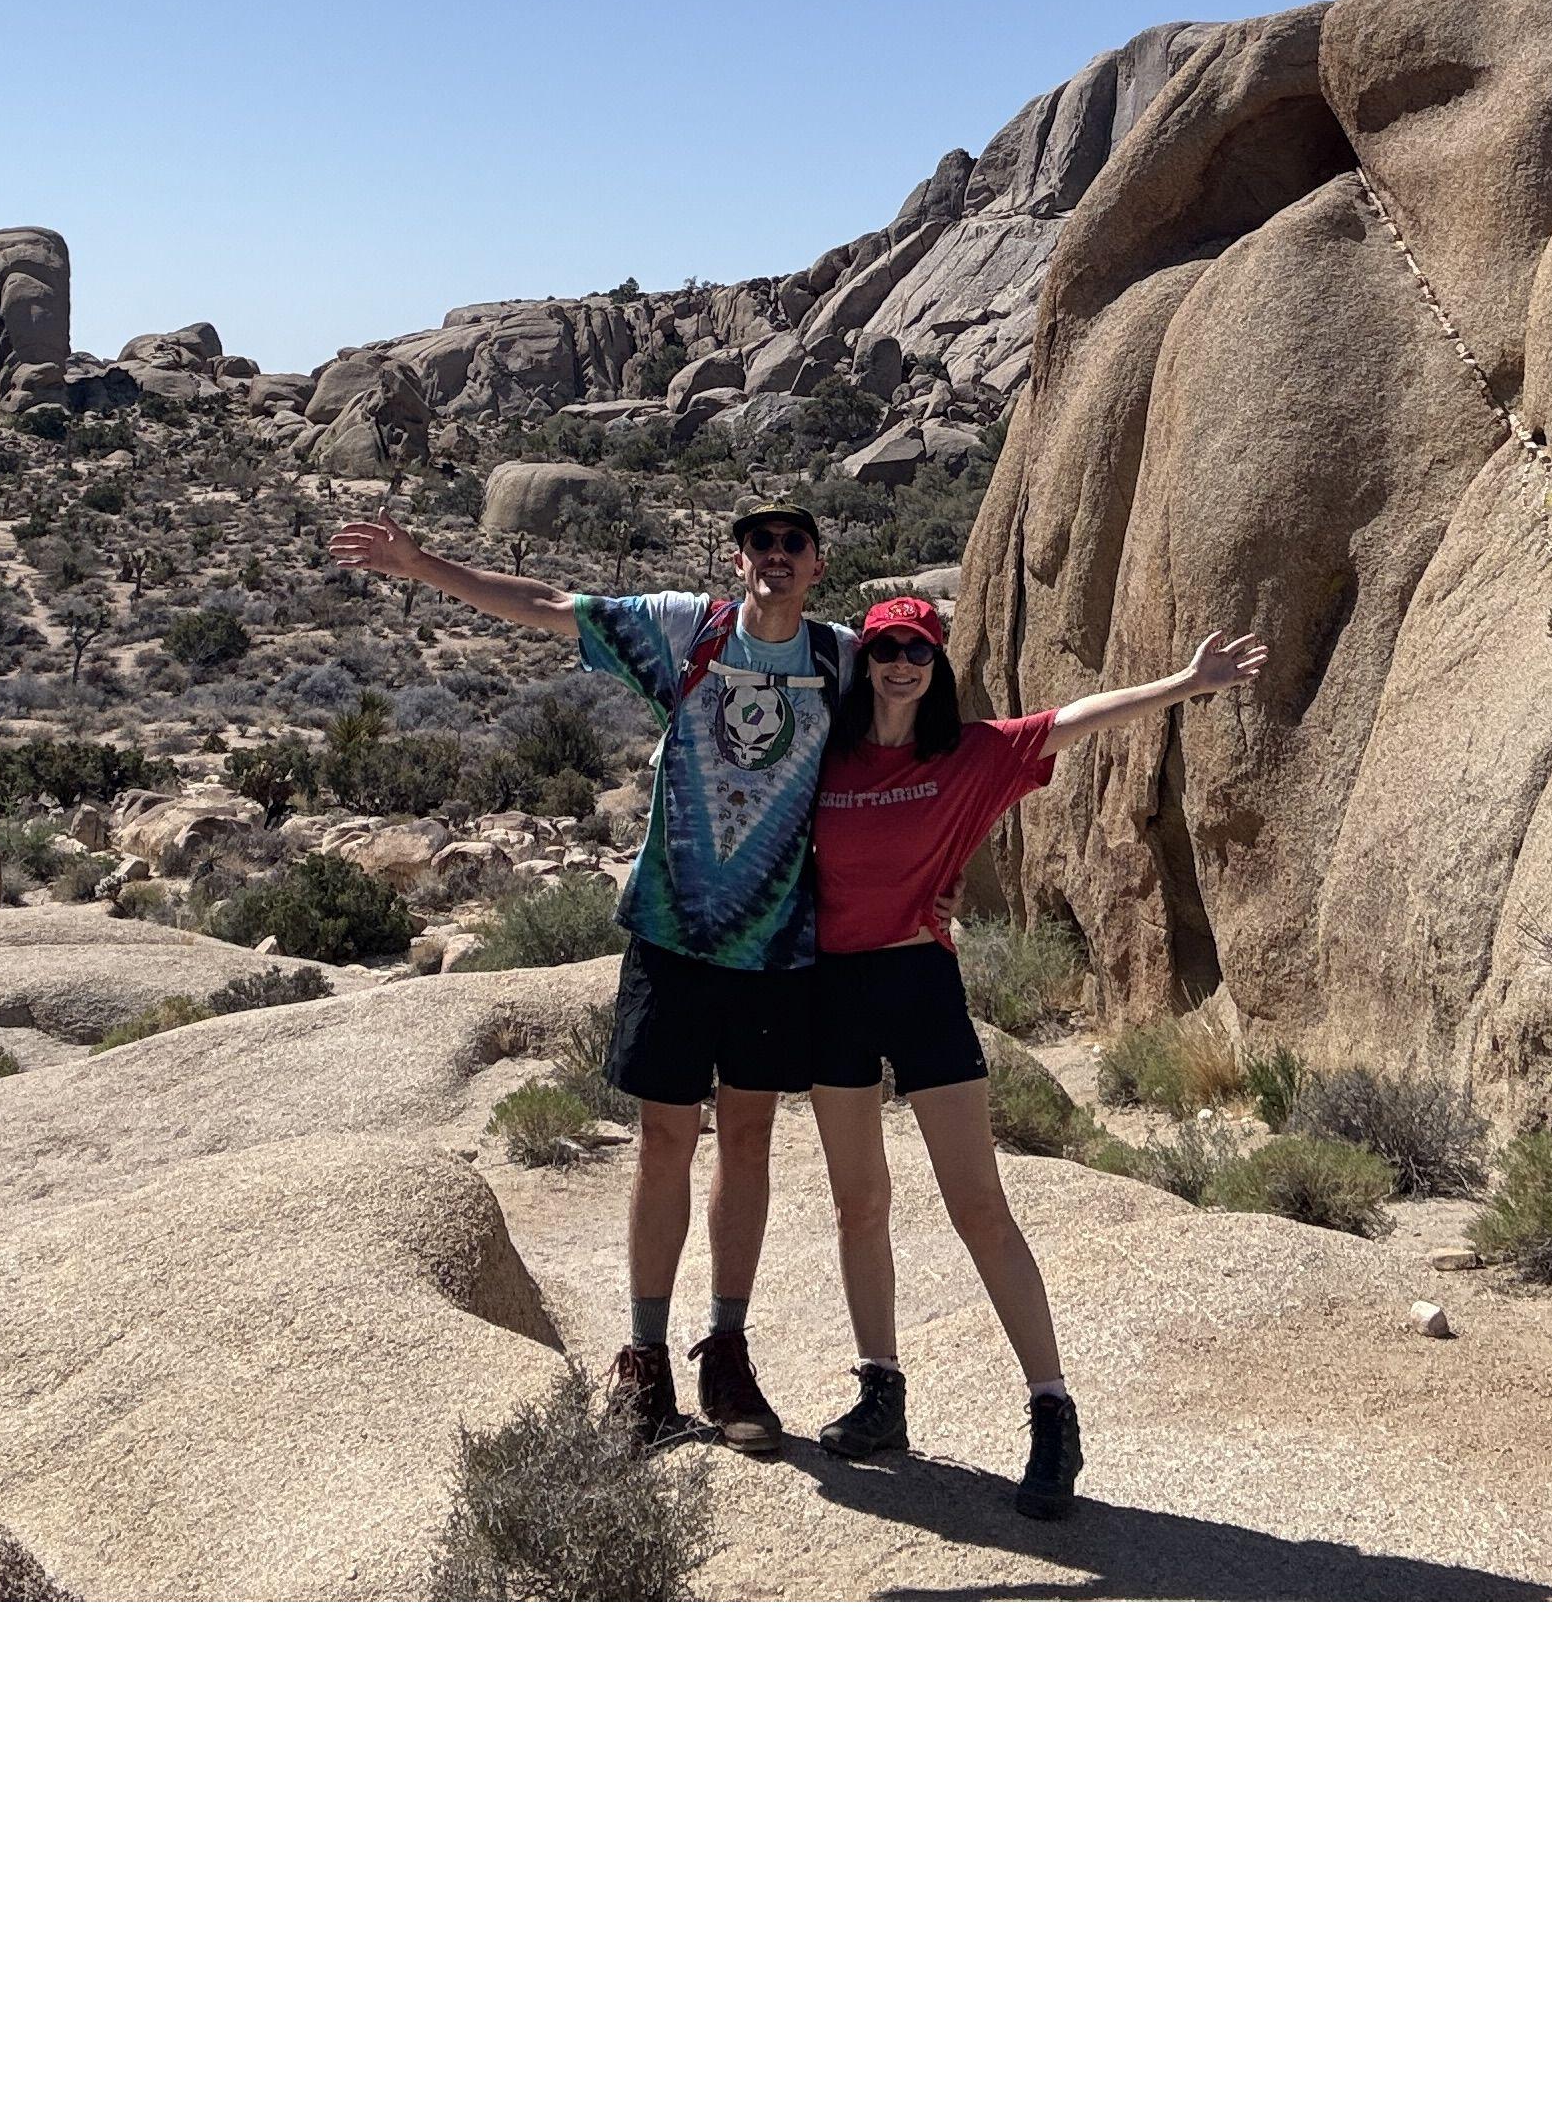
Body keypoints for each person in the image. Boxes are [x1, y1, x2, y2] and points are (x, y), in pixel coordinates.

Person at [328, 496, 864, 1456]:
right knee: (665, 1140)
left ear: (817, 564)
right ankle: (647, 1358)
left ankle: (727, 1351)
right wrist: (427, 566)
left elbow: (930, 752)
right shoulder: (685, 630)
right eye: (759, 542)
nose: (775, 556)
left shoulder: (842, 660)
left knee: (747, 1139)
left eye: (794, 543)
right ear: (738, 559)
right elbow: (546, 603)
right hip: (671, 935)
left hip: (775, 945)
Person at [802, 595, 1266, 1522]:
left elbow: (1078, 719)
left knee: (978, 1204)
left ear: (936, 666)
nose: (900, 665)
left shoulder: (973, 753)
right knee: (859, 1203)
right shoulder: (825, 756)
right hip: (830, 990)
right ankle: (880, 1388)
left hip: (918, 985)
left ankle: (1052, 1409)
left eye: (918, 653)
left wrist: (1187, 682)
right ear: (866, 661)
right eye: (886, 649)